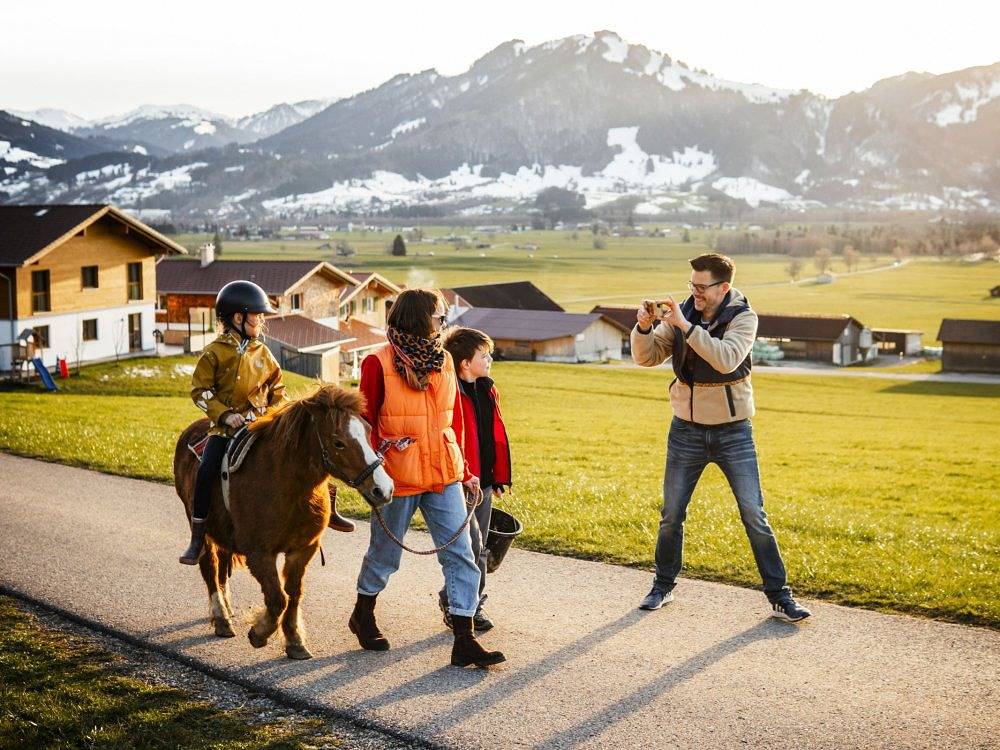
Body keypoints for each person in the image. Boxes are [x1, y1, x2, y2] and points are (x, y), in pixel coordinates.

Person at [631, 253, 811, 622]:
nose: (694, 292)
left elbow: (727, 358)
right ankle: (662, 585)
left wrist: (686, 327)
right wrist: (645, 328)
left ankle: (780, 596)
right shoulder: (684, 312)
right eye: (691, 285)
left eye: (701, 286)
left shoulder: (744, 317)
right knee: (671, 514)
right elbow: (646, 358)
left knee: (753, 514)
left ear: (723, 287)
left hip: (733, 432)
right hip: (685, 430)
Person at [350, 289, 506, 667]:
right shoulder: (377, 362)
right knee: (385, 556)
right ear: (419, 318)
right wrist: (373, 475)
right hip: (397, 476)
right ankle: (363, 614)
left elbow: (453, 421)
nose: (443, 322)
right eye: (439, 316)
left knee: (462, 556)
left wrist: (466, 470)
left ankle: (464, 639)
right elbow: (364, 424)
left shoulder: (445, 361)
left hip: (444, 475)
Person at [178, 280, 353, 565]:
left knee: (310, 455)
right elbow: (200, 392)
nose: (261, 320)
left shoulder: (264, 353)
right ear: (238, 317)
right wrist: (224, 414)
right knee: (206, 470)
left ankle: (328, 509)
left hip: (263, 425)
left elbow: (278, 390)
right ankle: (198, 537)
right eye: (257, 315)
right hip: (225, 429)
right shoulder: (214, 353)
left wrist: (278, 416)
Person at [437, 327, 512, 633]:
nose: (490, 359)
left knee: (477, 548)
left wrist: (497, 478)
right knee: (471, 546)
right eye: (484, 355)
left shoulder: (487, 389)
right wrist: (462, 474)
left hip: (482, 482)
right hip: (458, 480)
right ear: (465, 363)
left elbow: (493, 436)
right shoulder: (448, 391)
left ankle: (458, 600)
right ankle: (466, 607)